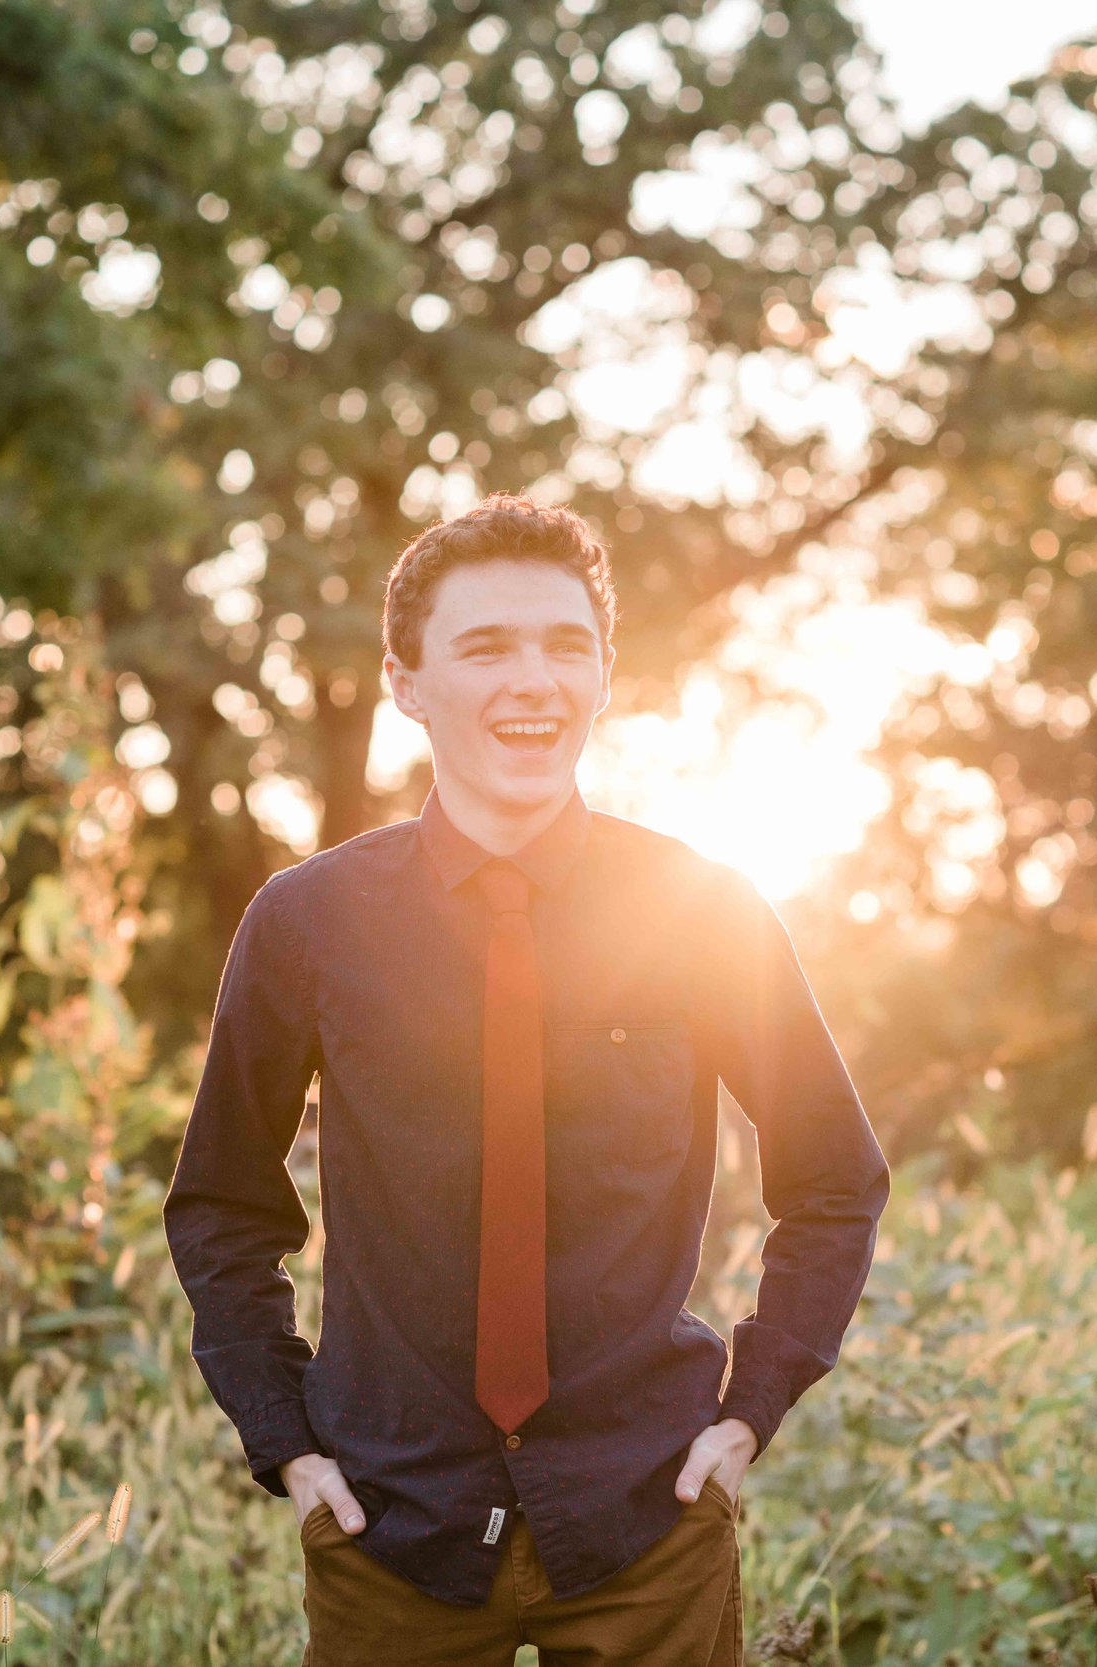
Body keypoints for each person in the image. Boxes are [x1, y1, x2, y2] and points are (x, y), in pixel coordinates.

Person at [163, 493, 891, 1665]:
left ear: (605, 673)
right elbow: (221, 1206)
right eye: (485, 645)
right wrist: (285, 1439)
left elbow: (835, 1179)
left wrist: (749, 1412)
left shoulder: (704, 912)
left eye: (566, 644)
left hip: (645, 1520)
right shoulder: (306, 921)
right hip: (389, 1526)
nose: (532, 680)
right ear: (406, 680)